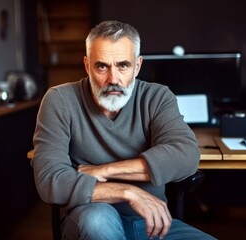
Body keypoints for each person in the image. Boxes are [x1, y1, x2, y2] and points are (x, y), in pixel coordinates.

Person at [31, 20, 216, 240]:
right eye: (102, 66)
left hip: (152, 224)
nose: (113, 79)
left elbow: (186, 156)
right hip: (91, 216)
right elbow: (50, 179)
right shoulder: (59, 100)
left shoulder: (157, 97)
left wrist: (105, 171)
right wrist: (128, 192)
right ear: (87, 65)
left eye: (123, 66)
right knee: (97, 223)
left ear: (137, 66)